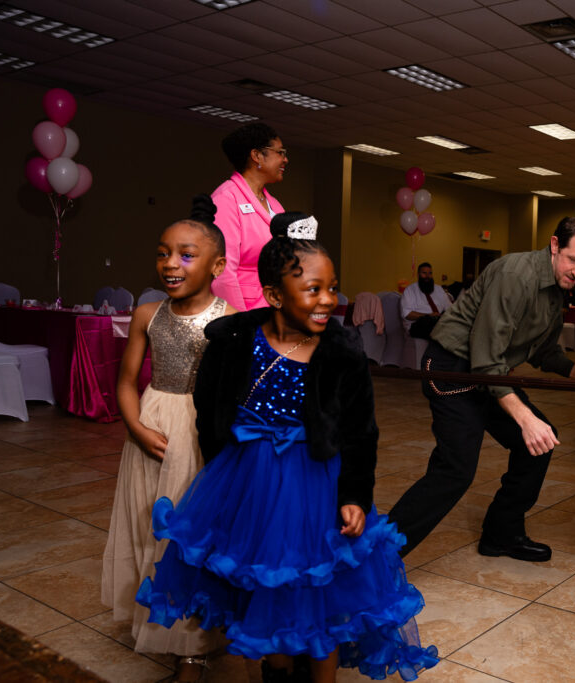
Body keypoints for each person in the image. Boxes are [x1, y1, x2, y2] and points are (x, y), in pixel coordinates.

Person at [136, 212, 438, 682]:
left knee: (316, 589)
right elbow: (209, 408)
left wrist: (355, 495)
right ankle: (277, 670)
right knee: (265, 587)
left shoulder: (342, 352)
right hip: (248, 480)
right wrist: (226, 475)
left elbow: (362, 432)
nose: (328, 301)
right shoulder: (234, 342)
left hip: (316, 481)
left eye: (332, 288)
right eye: (313, 290)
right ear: (275, 295)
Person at [388, 217, 575, 562]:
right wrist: (525, 418)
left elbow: (545, 351)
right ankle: (377, 559)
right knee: (455, 470)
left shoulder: (555, 287)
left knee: (539, 446)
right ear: (554, 245)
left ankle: (501, 534)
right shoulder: (516, 276)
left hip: (488, 373)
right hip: (452, 370)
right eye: (573, 260)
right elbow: (486, 358)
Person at [101, 196, 234, 682]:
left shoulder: (229, 319)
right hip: (152, 423)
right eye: (162, 253)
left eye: (185, 254)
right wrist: (135, 426)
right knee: (147, 525)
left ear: (217, 264)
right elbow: (125, 381)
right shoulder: (147, 314)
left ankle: (192, 648)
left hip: (201, 434)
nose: (170, 264)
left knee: (189, 537)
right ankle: (155, 618)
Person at [211, 122, 287, 311]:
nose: (285, 160)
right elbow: (223, 272)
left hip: (275, 311)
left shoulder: (276, 206)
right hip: (244, 312)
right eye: (280, 152)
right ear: (257, 156)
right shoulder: (225, 199)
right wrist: (238, 323)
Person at [400, 262, 451, 339]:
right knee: (430, 323)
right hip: (418, 324)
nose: (427, 276)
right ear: (418, 275)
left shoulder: (439, 289)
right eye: (424, 273)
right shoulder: (409, 290)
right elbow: (407, 314)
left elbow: (450, 308)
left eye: (430, 273)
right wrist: (428, 315)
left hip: (438, 321)